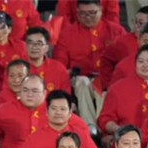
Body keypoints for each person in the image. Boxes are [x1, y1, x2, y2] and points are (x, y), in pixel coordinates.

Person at [52, 0, 125, 132]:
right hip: (80, 78)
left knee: (104, 86)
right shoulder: (67, 33)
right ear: (77, 14)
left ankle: (102, 126)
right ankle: (89, 127)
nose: (88, 17)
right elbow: (59, 65)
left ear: (101, 11)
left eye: (92, 13)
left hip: (106, 78)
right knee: (83, 82)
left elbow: (126, 61)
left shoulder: (115, 31)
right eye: (84, 14)